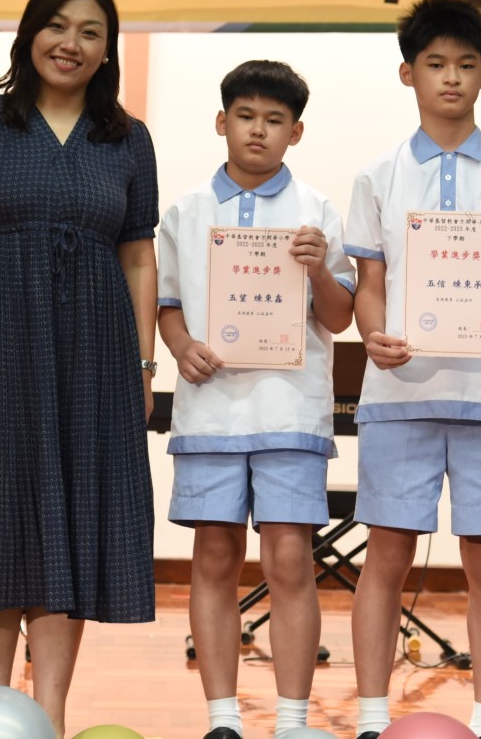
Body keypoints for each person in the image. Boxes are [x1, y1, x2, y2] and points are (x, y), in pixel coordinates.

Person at [0, 0, 160, 736]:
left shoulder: (127, 139)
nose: (71, 43)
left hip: (94, 354)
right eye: (57, 26)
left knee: (71, 523)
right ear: (29, 35)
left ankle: (48, 716)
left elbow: (139, 258)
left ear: (107, 49)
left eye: (90, 32)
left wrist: (143, 364)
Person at [343, 0, 481, 739]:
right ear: (408, 73)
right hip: (398, 394)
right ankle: (372, 717)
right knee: (386, 555)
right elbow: (369, 287)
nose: (451, 78)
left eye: (466, 65)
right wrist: (374, 336)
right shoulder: (377, 176)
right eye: (435, 64)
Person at [157, 61, 356, 739]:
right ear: (222, 122)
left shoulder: (317, 210)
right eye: (246, 116)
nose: (258, 131)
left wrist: (319, 268)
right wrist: (181, 347)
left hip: (290, 412)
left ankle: (293, 719)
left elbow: (340, 317)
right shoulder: (186, 211)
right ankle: (223, 718)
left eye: (275, 120)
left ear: (295, 132)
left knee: (290, 561)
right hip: (210, 410)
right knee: (214, 558)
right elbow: (168, 305)